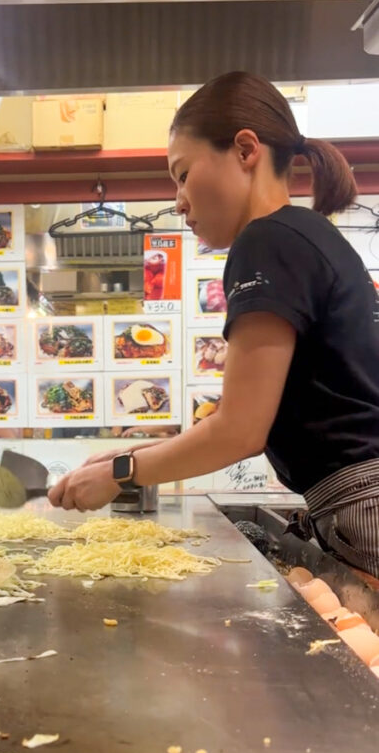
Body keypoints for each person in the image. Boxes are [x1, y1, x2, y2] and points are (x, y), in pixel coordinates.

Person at [49, 71, 379, 577]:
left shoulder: (265, 241)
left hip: (363, 505)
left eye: (182, 174)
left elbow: (239, 431)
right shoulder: (308, 234)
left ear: (245, 149)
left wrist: (122, 473)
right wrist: (130, 453)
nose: (178, 200)